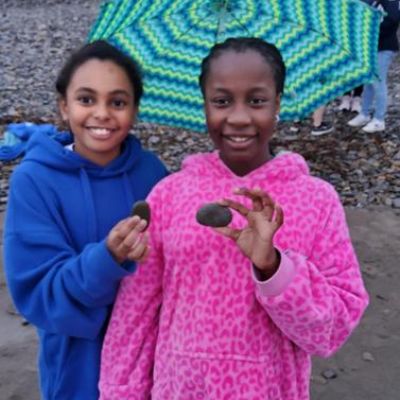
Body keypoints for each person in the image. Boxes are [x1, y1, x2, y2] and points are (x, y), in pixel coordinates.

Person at [99, 37, 369, 399]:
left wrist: (273, 267)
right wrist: (120, 392)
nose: (239, 118)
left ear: (278, 103)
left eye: (256, 101)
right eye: (222, 101)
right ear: (204, 105)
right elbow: (136, 312)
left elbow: (332, 329)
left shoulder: (316, 200)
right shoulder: (169, 195)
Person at [3, 40, 169, 400]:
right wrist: (108, 258)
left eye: (118, 102)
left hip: (154, 366)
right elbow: (40, 293)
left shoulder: (154, 174)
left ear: (134, 110)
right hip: (78, 369)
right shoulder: (34, 180)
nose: (102, 113)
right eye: (86, 99)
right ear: (64, 106)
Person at [348, 0, 400, 132]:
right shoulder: (373, 2)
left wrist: (369, 29)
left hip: (384, 48)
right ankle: (364, 114)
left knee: (378, 82)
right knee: (369, 82)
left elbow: (392, 21)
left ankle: (379, 120)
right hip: (371, 48)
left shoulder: (392, 2)